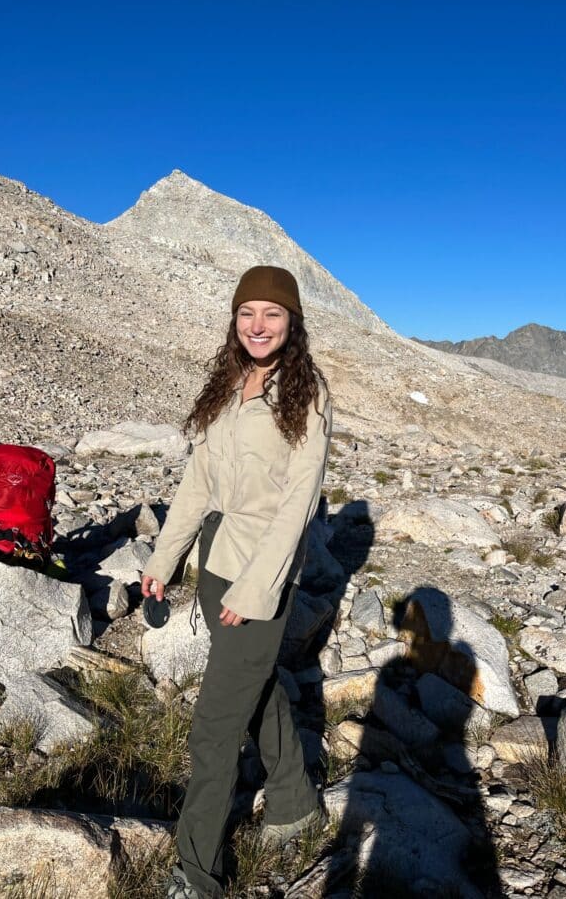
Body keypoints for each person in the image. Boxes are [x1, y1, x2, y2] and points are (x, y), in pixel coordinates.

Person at [141, 265, 333, 899]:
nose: (258, 325)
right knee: (254, 686)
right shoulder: (228, 384)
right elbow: (198, 483)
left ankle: (197, 872)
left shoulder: (305, 395)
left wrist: (258, 590)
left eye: (272, 314)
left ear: (292, 323)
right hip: (215, 566)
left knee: (215, 725)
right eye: (248, 312)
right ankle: (294, 800)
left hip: (259, 576)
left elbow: (299, 503)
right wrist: (164, 560)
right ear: (235, 319)